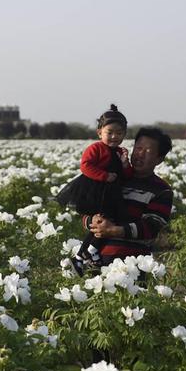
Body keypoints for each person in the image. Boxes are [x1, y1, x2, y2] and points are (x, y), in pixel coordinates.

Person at [56, 104, 133, 275]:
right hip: (96, 191)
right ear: (100, 133)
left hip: (112, 192)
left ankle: (89, 252)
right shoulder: (95, 148)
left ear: (124, 134)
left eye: (119, 133)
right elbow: (85, 166)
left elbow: (127, 175)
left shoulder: (121, 152)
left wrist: (125, 164)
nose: (114, 136)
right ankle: (84, 254)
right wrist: (105, 176)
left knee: (108, 222)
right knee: (101, 222)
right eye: (110, 133)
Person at [84, 127, 173, 267]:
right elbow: (86, 212)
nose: (140, 154)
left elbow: (151, 227)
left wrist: (114, 230)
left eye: (148, 151)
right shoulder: (112, 178)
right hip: (94, 262)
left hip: (133, 268)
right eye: (138, 148)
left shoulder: (161, 190)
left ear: (159, 159)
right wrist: (93, 220)